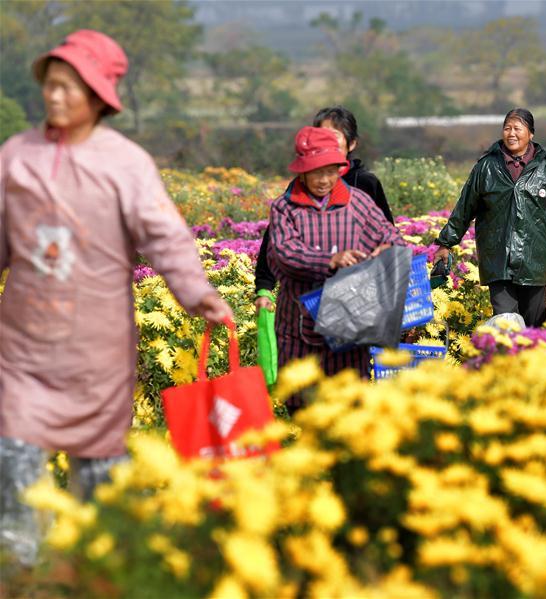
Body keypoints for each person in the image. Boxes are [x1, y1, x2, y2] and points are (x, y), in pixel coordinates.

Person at [0, 30, 232, 568]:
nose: (54, 97)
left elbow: (164, 235)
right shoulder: (15, 156)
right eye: (50, 86)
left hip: (96, 346)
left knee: (97, 463)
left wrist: (196, 291)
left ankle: (100, 560)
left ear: (99, 97)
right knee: (12, 451)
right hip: (22, 344)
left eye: (67, 88)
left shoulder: (125, 163)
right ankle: (21, 566)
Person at [267, 126, 403, 404]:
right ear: (301, 171)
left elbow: (392, 237)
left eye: (331, 171)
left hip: (351, 326)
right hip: (300, 327)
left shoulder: (358, 203)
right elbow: (285, 253)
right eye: (317, 172)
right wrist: (330, 260)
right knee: (302, 404)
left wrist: (388, 248)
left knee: (348, 408)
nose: (325, 179)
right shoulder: (285, 207)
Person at [434, 108, 546, 327]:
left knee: (534, 327)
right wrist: (446, 242)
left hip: (536, 262)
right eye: (507, 128)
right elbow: (464, 208)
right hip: (499, 261)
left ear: (531, 134)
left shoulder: (545, 169)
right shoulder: (486, 167)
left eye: (518, 128)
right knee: (506, 324)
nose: (511, 133)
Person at [255, 106, 393, 312]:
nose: (325, 144)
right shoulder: (298, 189)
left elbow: (387, 235)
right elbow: (276, 241)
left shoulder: (363, 185)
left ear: (352, 143)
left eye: (333, 138)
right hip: (308, 295)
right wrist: (264, 286)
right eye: (320, 136)